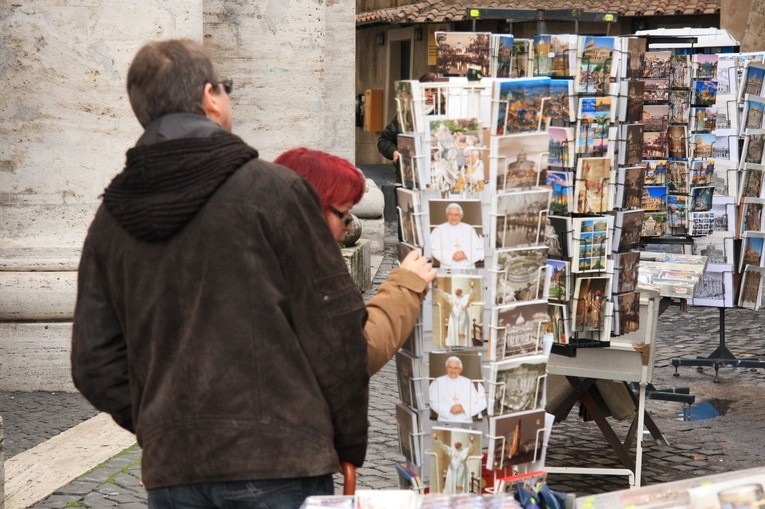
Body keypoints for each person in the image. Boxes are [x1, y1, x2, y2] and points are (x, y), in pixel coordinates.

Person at [70, 39, 369, 509]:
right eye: (225, 89)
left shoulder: (112, 217)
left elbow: (93, 362)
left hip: (176, 471)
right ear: (210, 96)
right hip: (280, 461)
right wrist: (348, 441)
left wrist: (163, 425)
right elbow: (335, 328)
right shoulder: (275, 190)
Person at [274, 147, 437, 374]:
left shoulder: (273, 257)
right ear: (313, 209)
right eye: (345, 212)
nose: (350, 225)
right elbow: (353, 351)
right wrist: (405, 286)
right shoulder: (291, 273)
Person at [377, 72, 443, 183]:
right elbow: (384, 140)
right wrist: (394, 152)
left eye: (434, 90)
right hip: (407, 179)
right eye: (426, 90)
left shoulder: (446, 113)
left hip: (437, 178)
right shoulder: (406, 114)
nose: (430, 94)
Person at [428, 356, 487, 423]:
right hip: (444, 420)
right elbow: (432, 402)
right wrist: (448, 409)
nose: (453, 370)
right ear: (446, 368)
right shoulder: (437, 382)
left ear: (460, 369)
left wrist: (463, 409)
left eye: (456, 368)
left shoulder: (468, 382)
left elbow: (482, 403)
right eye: (450, 367)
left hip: (465, 421)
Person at [429, 203, 485, 269]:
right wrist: (451, 256)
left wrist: (465, 255)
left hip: (467, 268)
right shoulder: (439, 229)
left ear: (461, 216)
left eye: (456, 215)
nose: (453, 217)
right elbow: (434, 250)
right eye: (450, 214)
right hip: (447, 267)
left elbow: (479, 250)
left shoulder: (470, 229)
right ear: (447, 215)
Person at [433, 279, 475, 347]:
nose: (457, 293)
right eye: (456, 292)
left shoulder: (465, 297)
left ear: (461, 292)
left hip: (463, 319)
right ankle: (454, 345)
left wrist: (472, 287)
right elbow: (444, 295)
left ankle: (463, 346)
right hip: (454, 318)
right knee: (454, 331)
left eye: (458, 292)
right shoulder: (452, 298)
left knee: (462, 332)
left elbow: (471, 294)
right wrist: (436, 287)